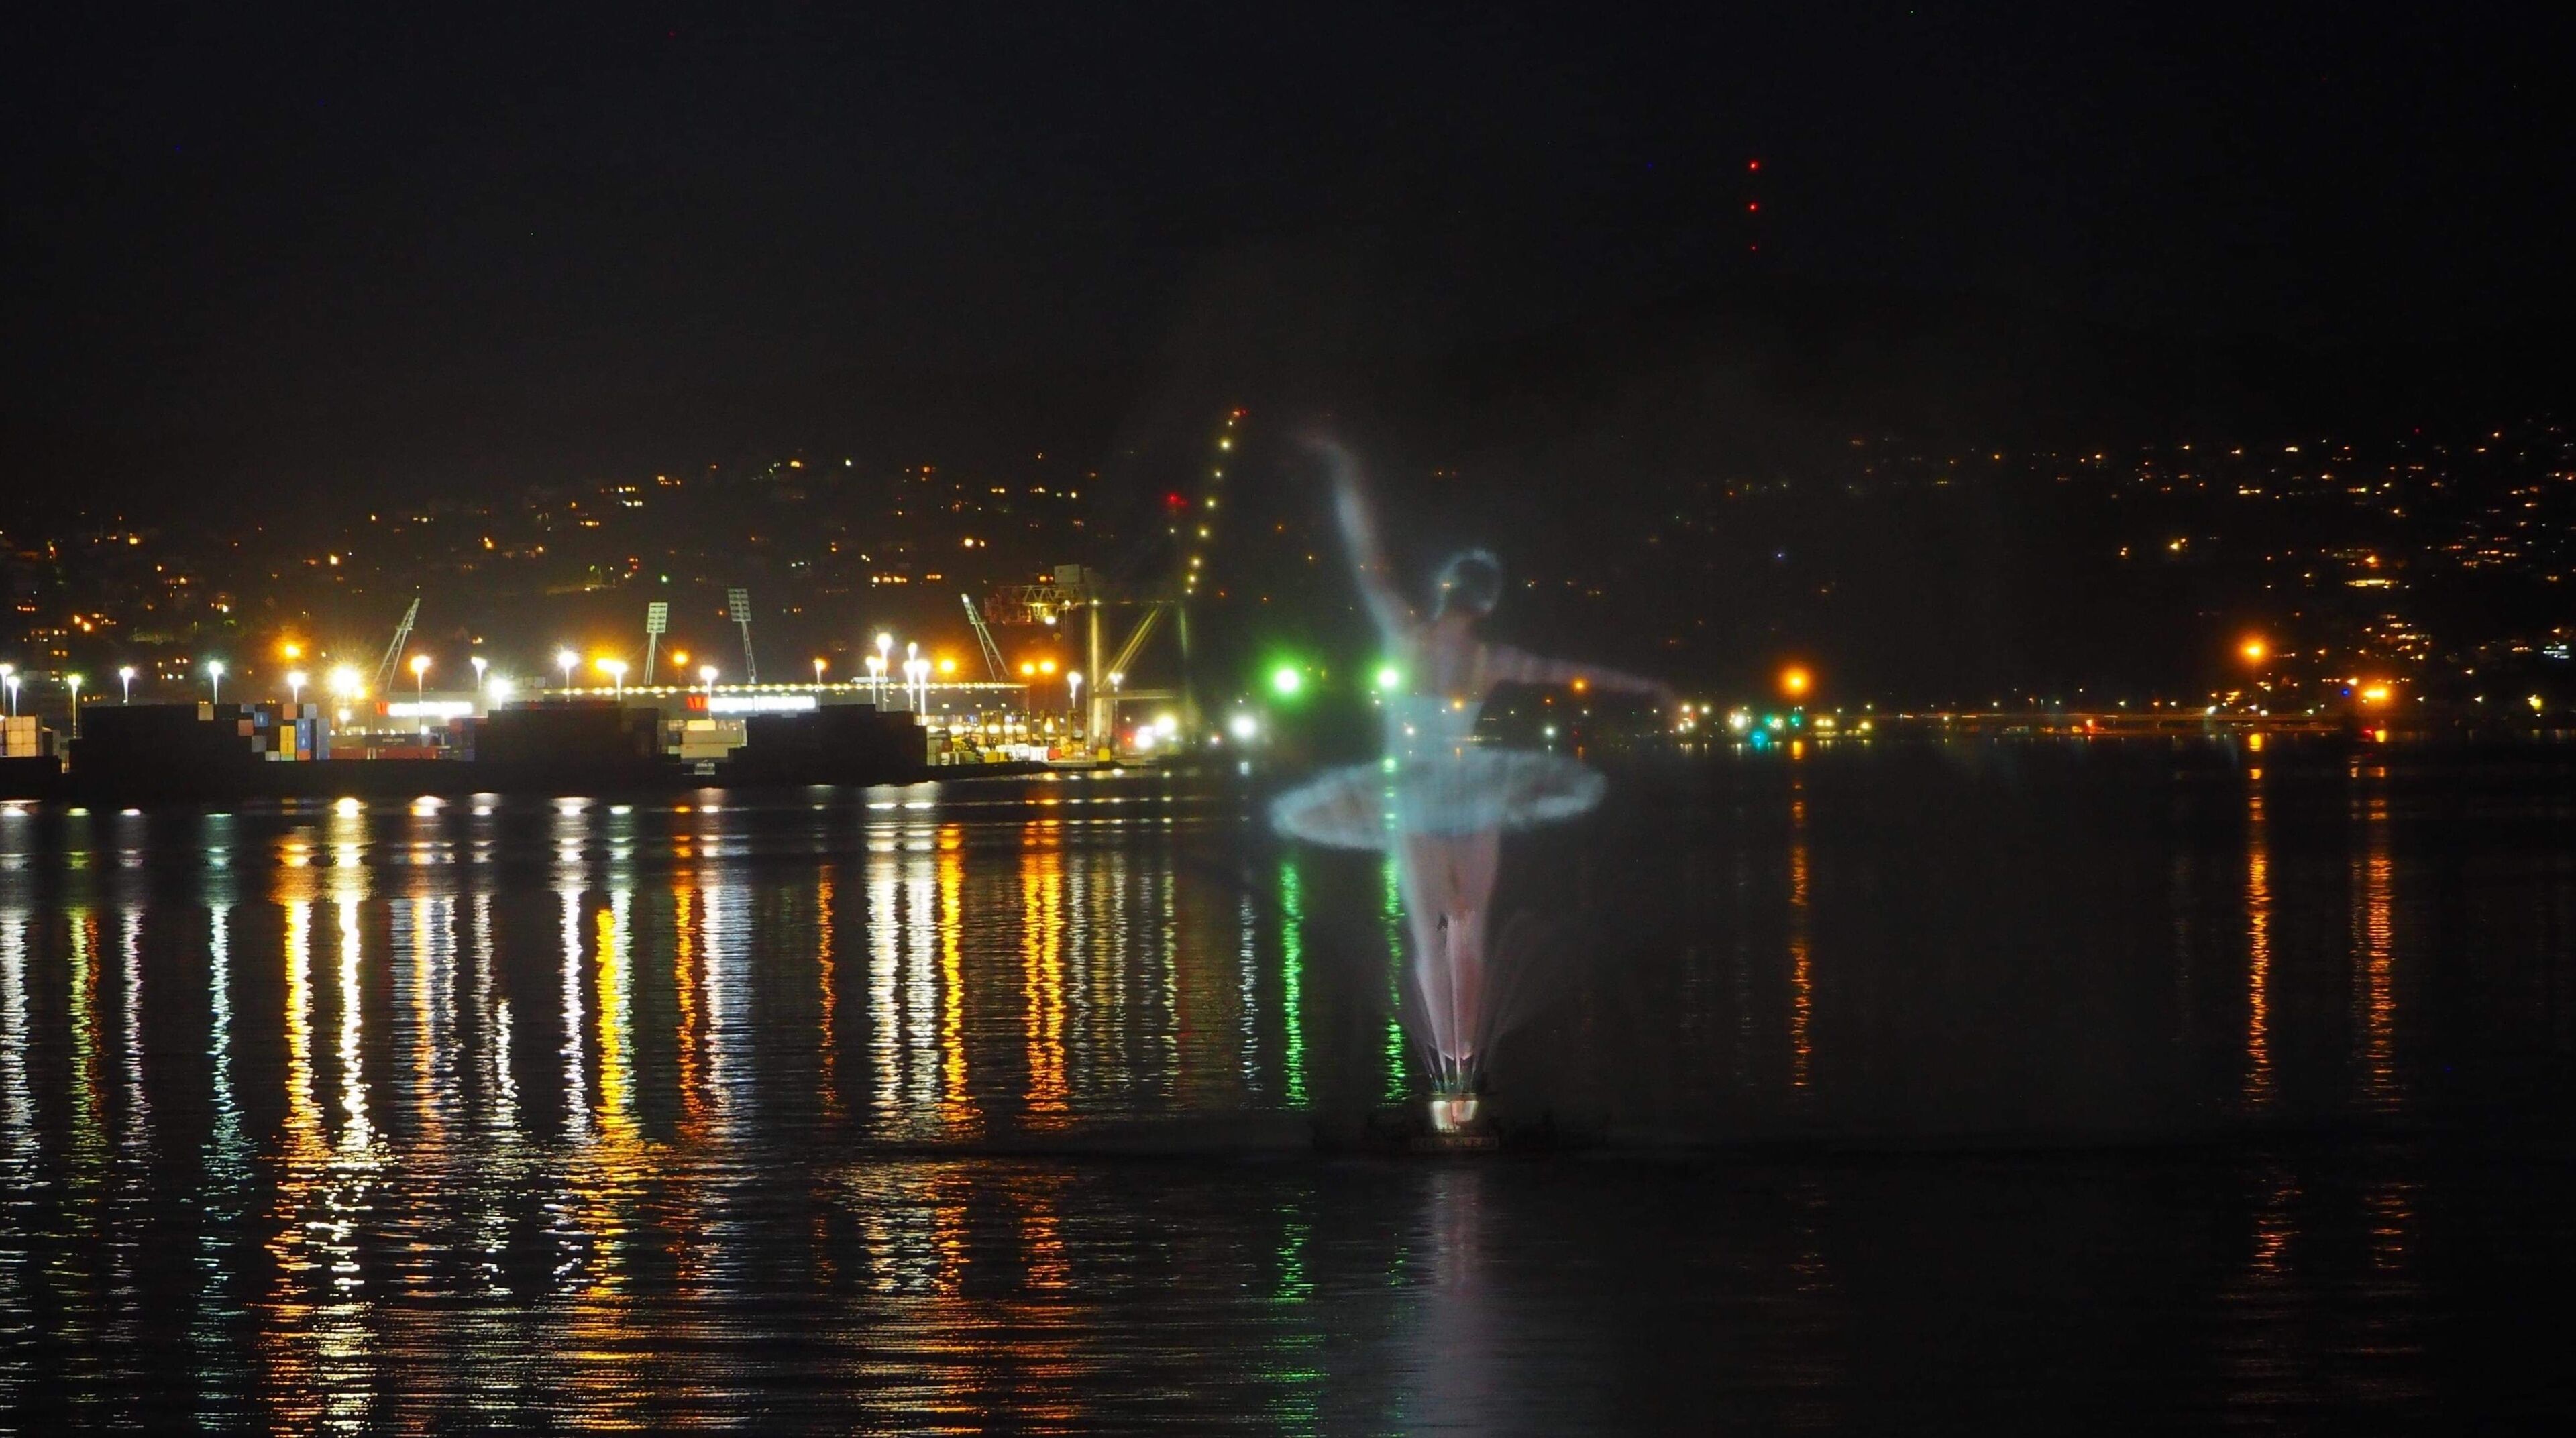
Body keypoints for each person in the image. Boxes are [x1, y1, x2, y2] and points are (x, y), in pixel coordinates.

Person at [1272, 441, 1670, 1087]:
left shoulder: (1406, 636)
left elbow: (1366, 560)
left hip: (1420, 800)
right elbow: (1573, 673)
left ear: (1443, 593)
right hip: (1472, 792)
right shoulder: (1493, 660)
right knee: (1469, 928)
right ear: (1484, 605)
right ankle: (1465, 1063)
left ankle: (1452, 1070)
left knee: (1431, 934)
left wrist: (1346, 470)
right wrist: (1650, 686)